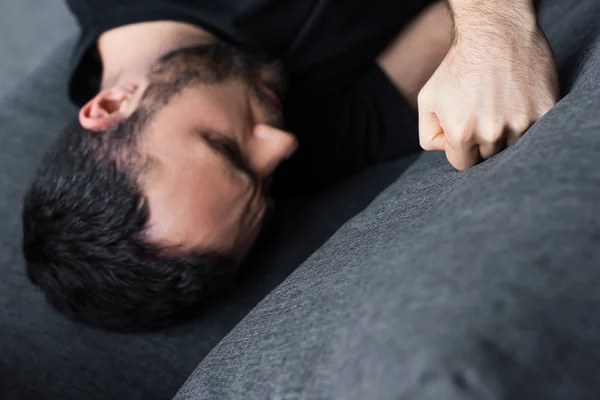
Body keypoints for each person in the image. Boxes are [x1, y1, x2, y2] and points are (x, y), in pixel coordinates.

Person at [21, 0, 558, 331]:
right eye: (263, 184)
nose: (280, 146)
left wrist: (492, 26)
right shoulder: (299, 153)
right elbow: (450, 34)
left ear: (111, 105)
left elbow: (492, 43)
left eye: (222, 146)